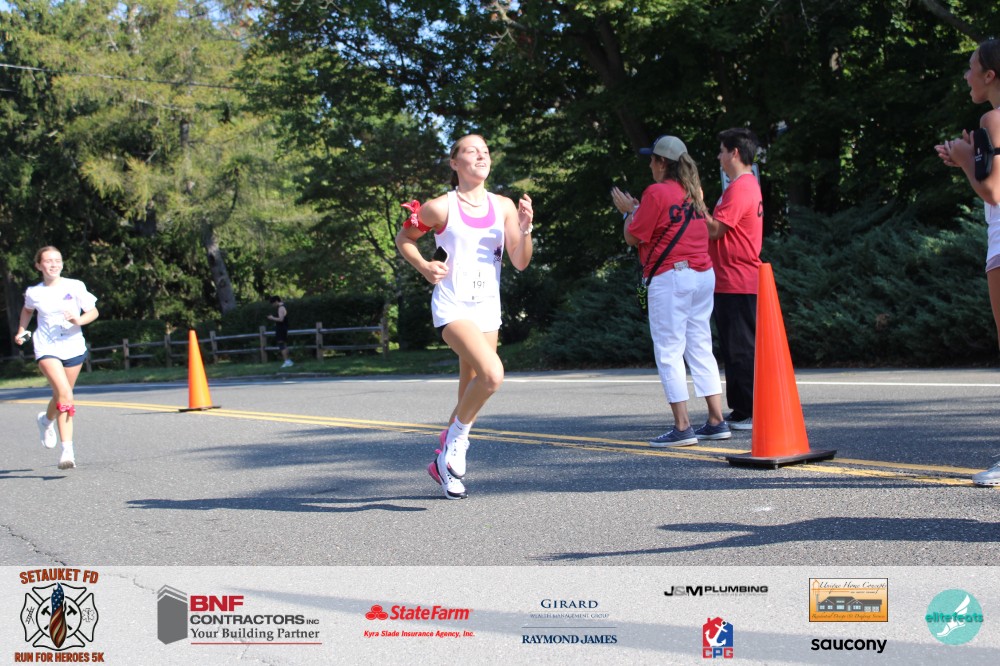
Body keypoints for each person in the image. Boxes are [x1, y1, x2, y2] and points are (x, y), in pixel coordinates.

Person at [395, 134, 534, 499]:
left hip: (487, 306)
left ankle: (444, 465)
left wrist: (525, 228)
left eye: (485, 151)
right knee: (492, 374)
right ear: (455, 163)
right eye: (472, 151)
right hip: (453, 304)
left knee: (469, 389)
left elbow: (520, 261)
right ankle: (457, 443)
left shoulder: (503, 206)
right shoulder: (441, 207)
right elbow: (404, 238)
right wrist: (425, 266)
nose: (481, 156)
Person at [612, 135, 729, 446]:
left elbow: (634, 236)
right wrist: (638, 210)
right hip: (703, 274)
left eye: (652, 159)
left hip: (672, 276)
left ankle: (682, 426)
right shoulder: (693, 192)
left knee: (669, 350)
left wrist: (628, 212)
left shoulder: (656, 192)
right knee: (700, 345)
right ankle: (716, 420)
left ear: (662, 162)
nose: (650, 164)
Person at [935, 38, 1000, 486]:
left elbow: (993, 191)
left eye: (972, 67)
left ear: (990, 75)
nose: (966, 75)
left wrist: (963, 159)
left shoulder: (991, 120)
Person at [14, 246, 99, 470]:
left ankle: (45, 420)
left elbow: (93, 311)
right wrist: (22, 330)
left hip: (73, 347)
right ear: (38, 265)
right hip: (46, 348)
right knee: (65, 395)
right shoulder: (34, 292)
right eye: (48, 261)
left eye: (57, 260)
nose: (54, 264)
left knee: (61, 395)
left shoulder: (75, 285)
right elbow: (27, 311)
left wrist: (78, 320)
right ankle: (67, 451)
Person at [705, 127, 763, 431]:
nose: (719, 156)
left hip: (736, 278)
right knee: (735, 346)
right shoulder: (745, 186)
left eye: (722, 151)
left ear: (734, 153)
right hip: (734, 277)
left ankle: (750, 409)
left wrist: (695, 206)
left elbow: (716, 230)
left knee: (740, 347)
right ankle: (743, 408)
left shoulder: (740, 188)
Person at [267, 295, 293, 368]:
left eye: (273, 303)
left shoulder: (281, 308)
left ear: (276, 301)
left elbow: (281, 319)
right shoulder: (283, 307)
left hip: (281, 329)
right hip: (283, 328)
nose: (273, 305)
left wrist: (272, 318)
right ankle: (288, 361)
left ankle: (286, 361)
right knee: (284, 344)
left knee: (281, 345)